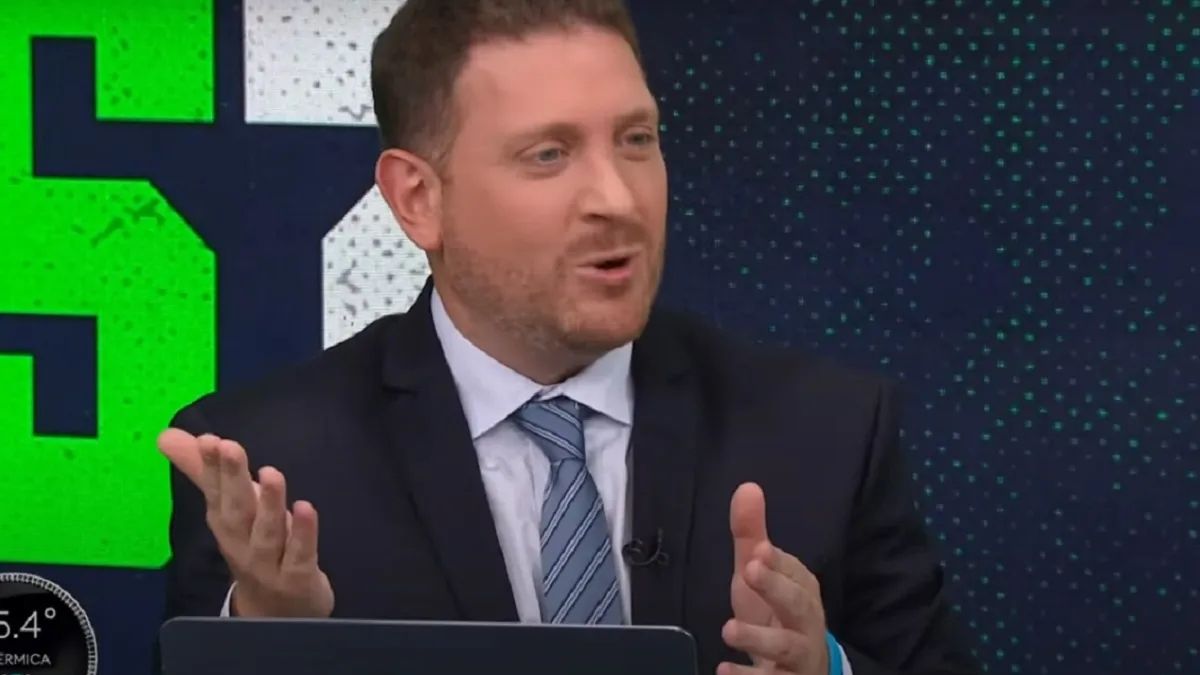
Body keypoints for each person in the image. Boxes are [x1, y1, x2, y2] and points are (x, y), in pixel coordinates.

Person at [158, 1, 980, 674]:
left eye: (637, 140)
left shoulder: (828, 433)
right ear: (418, 199)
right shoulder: (267, 467)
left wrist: (827, 668)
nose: (617, 199)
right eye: (549, 154)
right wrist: (268, 636)